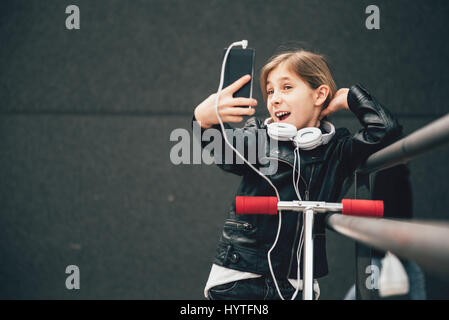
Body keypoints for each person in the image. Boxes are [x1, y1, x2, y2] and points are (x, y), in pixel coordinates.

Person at [193, 49, 402, 300]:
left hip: (297, 283)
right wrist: (203, 121)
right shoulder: (259, 136)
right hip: (240, 277)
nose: (275, 99)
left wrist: (352, 98)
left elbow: (386, 130)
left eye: (287, 87)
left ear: (320, 94)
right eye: (270, 91)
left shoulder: (338, 148)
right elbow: (223, 150)